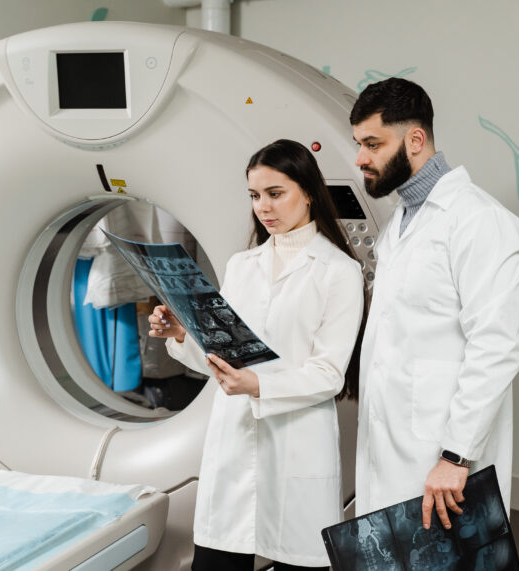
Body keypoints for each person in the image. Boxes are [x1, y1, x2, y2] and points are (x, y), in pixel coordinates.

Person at [148, 139, 366, 571]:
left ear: (308, 192)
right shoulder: (241, 265)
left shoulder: (340, 272)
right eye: (254, 195)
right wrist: (182, 334)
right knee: (216, 560)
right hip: (235, 437)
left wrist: (259, 385)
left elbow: (328, 374)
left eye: (275, 193)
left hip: (298, 441)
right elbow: (221, 355)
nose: (263, 207)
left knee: (298, 559)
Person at [349, 78, 519, 531]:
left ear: (415, 140)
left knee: (446, 555)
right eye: (359, 144)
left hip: (442, 453)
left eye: (373, 144)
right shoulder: (401, 220)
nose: (360, 159)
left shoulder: (479, 220)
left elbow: (496, 346)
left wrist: (456, 455)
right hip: (391, 441)